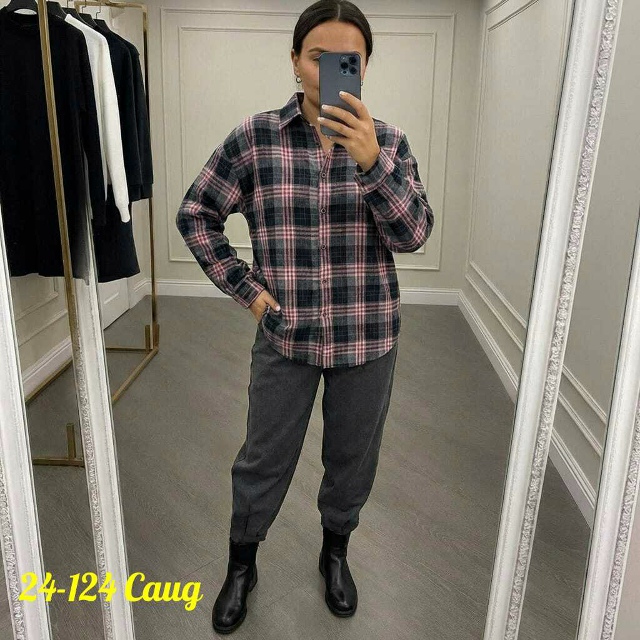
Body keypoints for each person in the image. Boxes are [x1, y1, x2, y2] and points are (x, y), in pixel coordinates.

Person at [175, 0, 434, 633]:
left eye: (349, 58)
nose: (331, 70)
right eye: (319, 56)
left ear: (365, 66)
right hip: (285, 335)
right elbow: (197, 213)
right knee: (263, 456)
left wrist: (372, 163)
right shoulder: (255, 138)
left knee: (352, 459)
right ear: (295, 60)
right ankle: (242, 564)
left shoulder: (389, 143)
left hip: (367, 338)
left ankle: (335, 552)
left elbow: (413, 235)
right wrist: (247, 289)